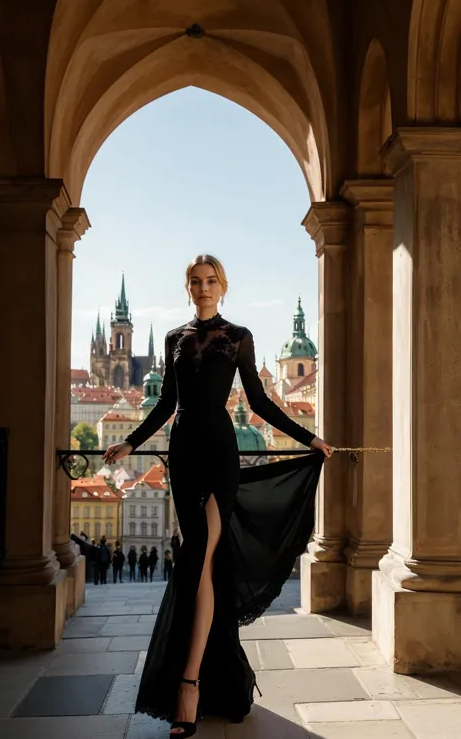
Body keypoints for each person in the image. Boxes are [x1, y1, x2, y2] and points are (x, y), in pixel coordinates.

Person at [103, 254, 331, 738]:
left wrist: (309, 439)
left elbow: (261, 401)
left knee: (200, 559)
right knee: (198, 564)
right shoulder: (173, 339)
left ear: (222, 286)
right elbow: (166, 402)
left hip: (222, 453)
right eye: (195, 282)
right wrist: (131, 442)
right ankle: (210, 675)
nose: (203, 288)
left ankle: (188, 685)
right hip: (183, 455)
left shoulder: (239, 337)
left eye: (210, 281)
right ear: (188, 288)